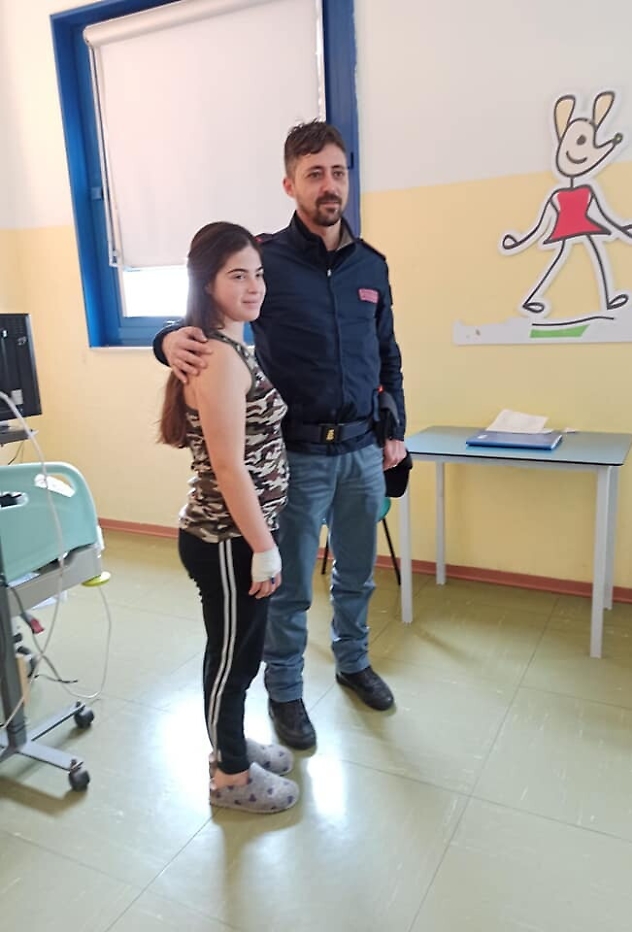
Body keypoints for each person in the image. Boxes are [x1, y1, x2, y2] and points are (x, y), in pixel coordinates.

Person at [154, 122, 407, 750]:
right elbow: (208, 302)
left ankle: (353, 662)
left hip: (362, 451)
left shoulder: (371, 266)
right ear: (290, 184)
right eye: (315, 173)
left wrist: (394, 428)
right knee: (287, 586)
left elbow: (387, 353)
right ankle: (286, 692)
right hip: (297, 455)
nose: (329, 185)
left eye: (338, 172)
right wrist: (164, 340)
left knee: (357, 575)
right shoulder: (267, 260)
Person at [159, 221, 299, 812]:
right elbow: (227, 465)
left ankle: (232, 742)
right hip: (226, 539)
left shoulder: (232, 346)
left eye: (258, 274)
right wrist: (263, 547)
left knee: (241, 654)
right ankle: (230, 778)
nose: (254, 286)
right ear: (207, 284)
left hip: (241, 535)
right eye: (237, 275)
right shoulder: (216, 357)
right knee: (231, 660)